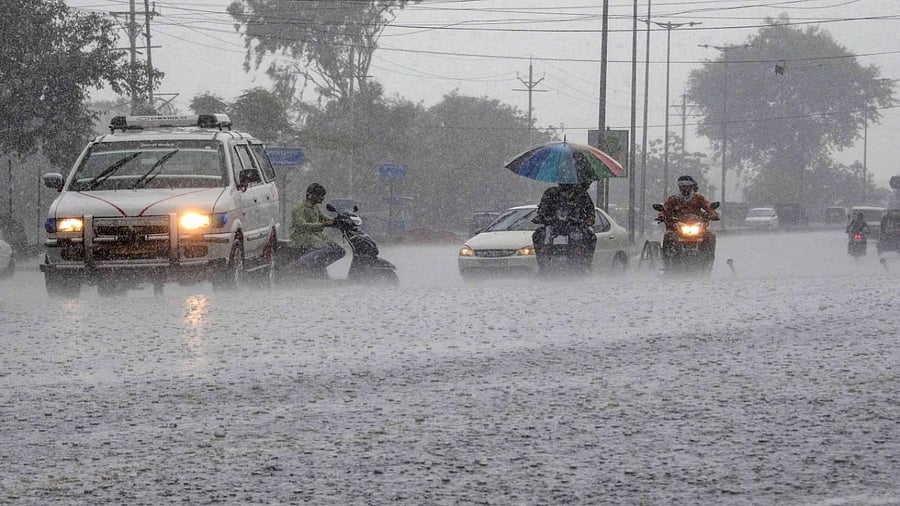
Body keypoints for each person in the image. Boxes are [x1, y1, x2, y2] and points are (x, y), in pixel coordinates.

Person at [531, 181, 596, 273]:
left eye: (568, 183)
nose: (565, 185)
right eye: (562, 182)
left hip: (575, 226)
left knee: (591, 237)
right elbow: (542, 209)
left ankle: (586, 264)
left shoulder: (581, 194)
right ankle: (542, 264)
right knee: (537, 235)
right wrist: (540, 217)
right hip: (552, 225)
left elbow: (590, 209)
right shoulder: (550, 192)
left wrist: (590, 219)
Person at [658, 175, 719, 262]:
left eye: (687, 186)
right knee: (669, 236)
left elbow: (708, 207)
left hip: (698, 227)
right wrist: (662, 216)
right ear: (679, 187)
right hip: (676, 227)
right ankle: (668, 261)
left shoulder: (698, 198)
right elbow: (665, 209)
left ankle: (708, 258)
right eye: (682, 186)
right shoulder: (673, 199)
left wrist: (713, 214)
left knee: (709, 236)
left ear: (692, 187)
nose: (685, 189)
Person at [288, 183, 345, 274]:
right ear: (310, 195)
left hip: (315, 234)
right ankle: (298, 264)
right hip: (301, 236)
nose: (322, 198)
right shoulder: (299, 208)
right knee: (326, 248)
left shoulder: (315, 206)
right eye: (319, 195)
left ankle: (318, 267)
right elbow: (302, 225)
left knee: (340, 251)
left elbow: (322, 217)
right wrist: (322, 225)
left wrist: (337, 221)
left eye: (323, 196)